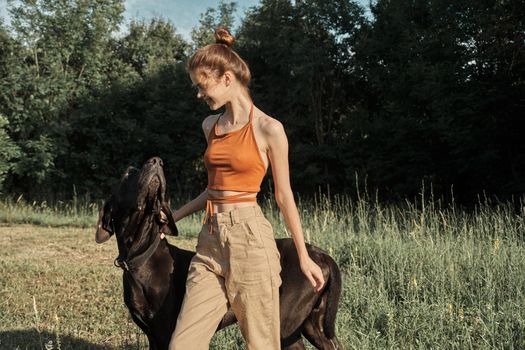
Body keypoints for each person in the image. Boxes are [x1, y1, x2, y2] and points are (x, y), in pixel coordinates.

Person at [167, 27, 325, 350]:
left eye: (202, 85)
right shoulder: (210, 126)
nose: (199, 95)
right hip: (210, 242)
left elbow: (283, 196)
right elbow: (214, 190)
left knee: (261, 345)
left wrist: (304, 257)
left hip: (250, 242)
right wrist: (173, 216)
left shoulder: (269, 129)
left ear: (227, 78)